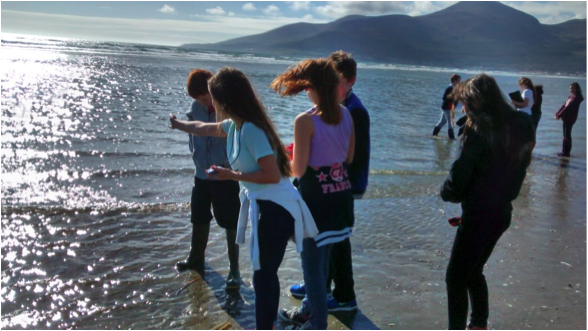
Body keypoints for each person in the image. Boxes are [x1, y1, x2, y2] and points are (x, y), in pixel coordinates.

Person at [170, 67, 319, 331]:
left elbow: (273, 175)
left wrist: (231, 175)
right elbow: (202, 128)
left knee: (263, 276)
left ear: (225, 101)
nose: (211, 103)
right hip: (266, 205)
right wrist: (179, 124)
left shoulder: (251, 130)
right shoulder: (234, 125)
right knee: (264, 274)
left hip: (277, 208)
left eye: (213, 98)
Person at [441, 74, 535, 331]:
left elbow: (458, 178)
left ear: (476, 102)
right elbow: (519, 167)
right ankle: (479, 324)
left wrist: (446, 192)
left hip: (479, 215)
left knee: (456, 278)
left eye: (465, 103)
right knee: (474, 270)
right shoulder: (521, 123)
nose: (463, 109)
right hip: (502, 212)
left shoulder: (477, 128)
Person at [271, 59, 355, 330]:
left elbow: (297, 170)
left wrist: (286, 154)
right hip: (341, 201)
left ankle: (317, 324)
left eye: (308, 87)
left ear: (315, 88)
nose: (306, 92)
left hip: (316, 206)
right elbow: (348, 157)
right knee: (324, 261)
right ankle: (310, 312)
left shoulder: (305, 120)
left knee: (313, 270)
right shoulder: (347, 114)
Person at [288, 51, 369, 314]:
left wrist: (288, 160)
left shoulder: (345, 112)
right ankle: (318, 295)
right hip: (339, 191)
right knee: (327, 253)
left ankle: (331, 302)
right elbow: (343, 153)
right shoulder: (344, 112)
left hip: (329, 193)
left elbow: (300, 169)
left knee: (325, 255)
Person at [175, 69, 242, 290]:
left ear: (213, 90)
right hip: (201, 174)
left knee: (230, 222)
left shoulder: (229, 109)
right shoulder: (195, 108)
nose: (203, 102)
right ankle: (196, 258)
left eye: (205, 97)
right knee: (199, 217)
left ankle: (234, 271)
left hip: (225, 174)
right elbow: (194, 134)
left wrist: (230, 166)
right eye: (198, 99)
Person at [555, 82, 585, 157]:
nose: (571, 89)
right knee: (565, 135)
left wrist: (560, 115)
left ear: (577, 89)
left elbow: (569, 107)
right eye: (570, 88)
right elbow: (564, 105)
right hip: (565, 117)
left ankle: (566, 153)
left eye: (573, 88)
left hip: (570, 118)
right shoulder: (571, 97)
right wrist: (558, 113)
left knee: (567, 136)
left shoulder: (577, 97)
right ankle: (564, 152)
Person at [433, 74, 462, 140]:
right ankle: (451, 138)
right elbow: (444, 98)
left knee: (442, 122)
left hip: (448, 107)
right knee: (450, 122)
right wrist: (453, 98)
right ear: (454, 81)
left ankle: (434, 135)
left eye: (460, 81)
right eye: (458, 81)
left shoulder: (454, 88)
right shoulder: (450, 88)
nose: (459, 82)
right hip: (447, 107)